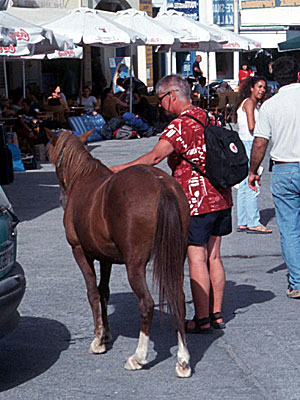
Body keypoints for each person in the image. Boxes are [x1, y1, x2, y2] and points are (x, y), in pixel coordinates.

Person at [110, 74, 232, 333]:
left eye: (161, 100)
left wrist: (118, 169)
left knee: (196, 258)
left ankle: (201, 319)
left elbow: (154, 158)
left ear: (172, 96)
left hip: (195, 201)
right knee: (214, 256)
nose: (160, 105)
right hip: (221, 195)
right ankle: (217, 313)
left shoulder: (180, 125)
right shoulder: (209, 116)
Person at [249, 56, 300, 299]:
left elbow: (260, 143)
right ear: (298, 75)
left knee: (289, 229)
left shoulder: (269, 105)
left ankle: (297, 282)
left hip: (284, 168)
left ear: (275, 80)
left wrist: (253, 171)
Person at [233, 76, 272, 234]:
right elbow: (252, 126)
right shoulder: (249, 103)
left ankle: (243, 220)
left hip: (242, 143)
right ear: (251, 88)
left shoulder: (246, 103)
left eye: (264, 87)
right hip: (249, 144)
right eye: (259, 87)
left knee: (243, 184)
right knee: (253, 183)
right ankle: (254, 221)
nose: (262, 90)